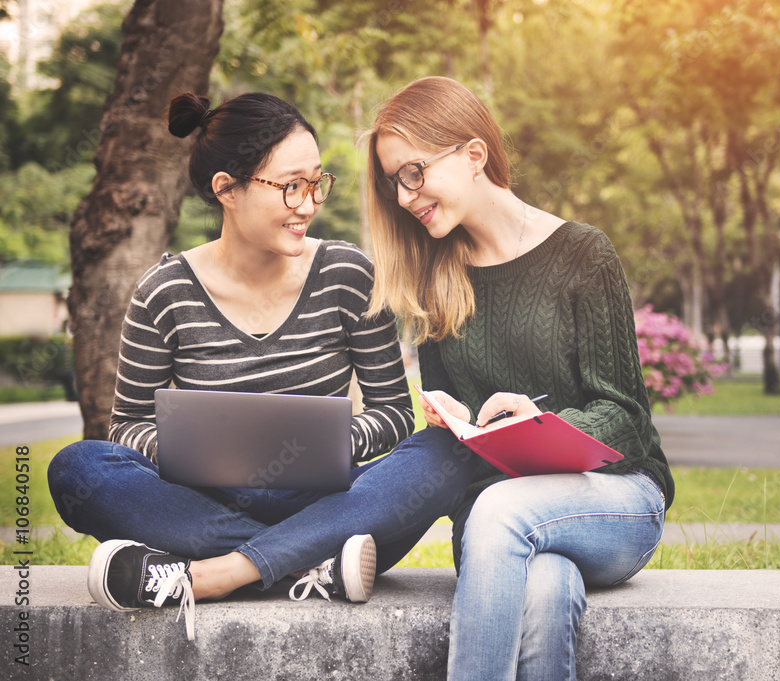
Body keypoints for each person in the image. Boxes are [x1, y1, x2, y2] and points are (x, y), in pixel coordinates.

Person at [47, 91, 476, 641]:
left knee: (445, 452)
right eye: (290, 186)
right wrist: (191, 450)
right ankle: (309, 567)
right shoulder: (165, 291)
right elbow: (127, 427)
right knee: (79, 468)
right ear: (227, 188)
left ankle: (219, 572)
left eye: (316, 183)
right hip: (211, 506)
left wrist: (334, 443)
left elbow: (393, 413)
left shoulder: (348, 273)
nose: (308, 203)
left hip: (332, 499)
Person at [364, 76, 675, 681]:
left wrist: (542, 425)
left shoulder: (584, 254)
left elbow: (628, 420)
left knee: (505, 513)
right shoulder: (437, 284)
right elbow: (460, 448)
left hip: (615, 502)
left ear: (473, 155)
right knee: (544, 587)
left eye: (413, 172)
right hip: (496, 522)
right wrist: (457, 423)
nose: (404, 198)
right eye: (393, 183)